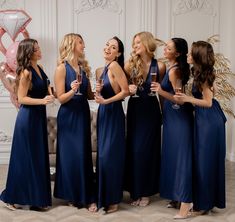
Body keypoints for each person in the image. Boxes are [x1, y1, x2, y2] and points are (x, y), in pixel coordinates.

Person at [0, 38, 54, 210]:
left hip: (37, 118)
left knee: (37, 159)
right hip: (28, 118)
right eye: (37, 49)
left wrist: (51, 93)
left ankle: (36, 200)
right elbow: (22, 99)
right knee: (24, 159)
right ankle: (11, 198)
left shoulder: (41, 69)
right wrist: (43, 101)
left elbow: (46, 88)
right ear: (30, 52)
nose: (40, 51)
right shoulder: (25, 73)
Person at [174, 41, 226, 215]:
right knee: (205, 162)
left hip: (209, 121)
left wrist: (188, 99)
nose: (187, 55)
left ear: (197, 56)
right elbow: (212, 94)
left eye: (190, 54)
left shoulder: (203, 75)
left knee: (204, 163)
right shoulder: (201, 72)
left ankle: (203, 205)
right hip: (208, 119)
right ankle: (205, 203)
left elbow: (208, 102)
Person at [151, 38, 194, 219]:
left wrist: (160, 91)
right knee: (172, 156)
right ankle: (177, 197)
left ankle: (186, 201)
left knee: (181, 158)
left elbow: (179, 99)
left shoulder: (174, 71)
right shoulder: (171, 68)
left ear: (177, 53)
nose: (164, 49)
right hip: (171, 117)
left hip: (179, 119)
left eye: (168, 48)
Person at [53, 33, 97, 212]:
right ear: (71, 44)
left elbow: (89, 96)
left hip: (82, 114)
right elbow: (61, 98)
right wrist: (72, 90)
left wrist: (99, 91)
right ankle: (72, 194)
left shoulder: (83, 68)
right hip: (68, 116)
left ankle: (86, 195)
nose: (84, 45)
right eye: (80, 42)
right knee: (71, 156)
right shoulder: (61, 69)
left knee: (83, 154)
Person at [124, 31, 165, 206]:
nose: (134, 46)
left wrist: (164, 113)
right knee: (134, 150)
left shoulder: (160, 66)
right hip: (135, 110)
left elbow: (162, 93)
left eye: (138, 42)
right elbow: (121, 88)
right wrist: (128, 89)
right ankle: (135, 191)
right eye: (134, 43)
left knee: (149, 151)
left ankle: (146, 192)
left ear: (147, 43)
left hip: (151, 111)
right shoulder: (129, 65)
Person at [95, 36, 129, 213]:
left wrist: (106, 101)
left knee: (109, 157)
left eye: (113, 47)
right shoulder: (103, 69)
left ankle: (114, 200)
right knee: (103, 156)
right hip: (103, 114)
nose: (108, 48)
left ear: (119, 53)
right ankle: (104, 197)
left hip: (113, 113)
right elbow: (103, 94)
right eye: (107, 44)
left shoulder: (115, 66)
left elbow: (125, 92)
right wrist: (99, 94)